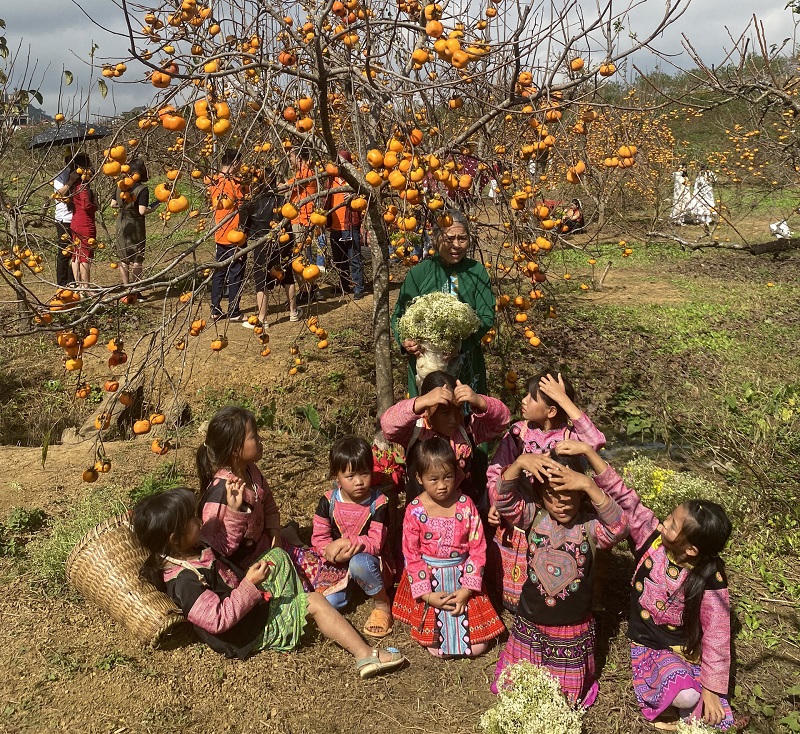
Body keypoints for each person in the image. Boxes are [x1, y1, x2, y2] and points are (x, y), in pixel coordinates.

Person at [132, 488, 406, 677]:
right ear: (173, 538)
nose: (197, 521)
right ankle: (365, 655)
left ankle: (295, 606)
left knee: (276, 555)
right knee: (315, 602)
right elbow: (218, 619)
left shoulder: (195, 548)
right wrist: (249, 586)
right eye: (191, 520)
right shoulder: (184, 582)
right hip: (245, 633)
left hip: (248, 605)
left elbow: (226, 546)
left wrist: (236, 509)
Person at [564, 441, 735, 728]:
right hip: (650, 646)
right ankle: (684, 706)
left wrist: (713, 689)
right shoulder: (652, 542)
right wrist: (591, 456)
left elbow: (718, 635)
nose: (662, 523)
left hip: (685, 649)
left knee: (699, 695)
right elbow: (626, 498)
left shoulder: (709, 580)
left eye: (671, 524)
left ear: (691, 549)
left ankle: (693, 706)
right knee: (686, 695)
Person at [490, 444, 628, 706]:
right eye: (552, 495)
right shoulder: (534, 518)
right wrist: (518, 464)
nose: (561, 502)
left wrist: (589, 485)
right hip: (530, 622)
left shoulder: (591, 527)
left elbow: (620, 526)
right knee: (518, 685)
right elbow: (502, 500)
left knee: (564, 699)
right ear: (540, 495)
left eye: (570, 493)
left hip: (571, 629)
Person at [487, 372, 606, 612]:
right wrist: (496, 499)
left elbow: (595, 442)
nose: (523, 400)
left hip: (560, 516)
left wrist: (564, 401)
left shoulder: (568, 437)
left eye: (531, 398)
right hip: (521, 513)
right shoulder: (517, 433)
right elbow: (496, 471)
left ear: (552, 410)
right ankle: (517, 601)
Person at [392, 437, 505, 657]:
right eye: (433, 479)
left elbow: (478, 548)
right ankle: (431, 617)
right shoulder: (415, 510)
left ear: (457, 474)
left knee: (479, 647)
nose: (442, 485)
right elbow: (412, 555)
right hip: (429, 580)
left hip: (463, 577)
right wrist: (426, 595)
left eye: (448, 477)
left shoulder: (465, 506)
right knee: (435, 644)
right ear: (419, 478)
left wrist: (466, 590)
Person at [391, 209, 495, 397]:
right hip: (425, 365)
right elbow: (399, 315)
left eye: (462, 238)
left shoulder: (477, 272)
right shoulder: (420, 272)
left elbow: (487, 316)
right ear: (437, 239)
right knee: (428, 418)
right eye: (449, 239)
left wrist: (462, 345)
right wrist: (405, 341)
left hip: (466, 364)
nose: (456, 245)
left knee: (466, 416)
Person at [380, 370, 510, 510]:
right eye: (445, 412)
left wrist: (479, 400)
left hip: (463, 518)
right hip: (420, 520)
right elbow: (388, 426)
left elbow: (502, 421)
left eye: (458, 410)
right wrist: (421, 401)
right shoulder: (415, 431)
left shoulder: (468, 429)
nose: (454, 419)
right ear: (427, 410)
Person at [311, 436, 393, 637]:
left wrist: (346, 543)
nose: (359, 482)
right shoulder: (327, 502)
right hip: (338, 563)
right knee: (330, 603)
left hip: (370, 561)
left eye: (364, 473)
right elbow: (319, 538)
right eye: (350, 476)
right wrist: (329, 551)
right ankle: (353, 589)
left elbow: (375, 543)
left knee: (359, 564)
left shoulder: (379, 503)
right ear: (336, 476)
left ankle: (382, 603)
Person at [239, 168, 299, 326]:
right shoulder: (282, 200)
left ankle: (262, 318)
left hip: (263, 242)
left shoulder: (250, 203)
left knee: (261, 280)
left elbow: (243, 228)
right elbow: (289, 220)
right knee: (287, 274)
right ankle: (293, 312)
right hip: (283, 240)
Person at [208, 149, 247, 321]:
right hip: (235, 234)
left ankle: (215, 309)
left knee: (219, 272)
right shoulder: (235, 184)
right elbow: (245, 202)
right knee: (236, 272)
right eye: (240, 163)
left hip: (220, 233)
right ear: (235, 163)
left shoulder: (214, 181)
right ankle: (234, 311)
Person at [109, 158, 154, 303]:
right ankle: (136, 291)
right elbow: (142, 211)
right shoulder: (142, 189)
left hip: (121, 224)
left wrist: (125, 206)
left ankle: (126, 289)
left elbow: (113, 204)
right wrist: (153, 208)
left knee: (123, 258)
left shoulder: (120, 185)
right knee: (136, 259)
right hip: (136, 225)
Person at [323, 151, 366, 299]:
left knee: (354, 258)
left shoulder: (354, 179)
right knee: (339, 260)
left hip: (350, 225)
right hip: (335, 227)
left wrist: (355, 193)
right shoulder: (330, 179)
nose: (338, 165)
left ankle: (358, 288)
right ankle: (344, 286)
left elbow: (365, 194)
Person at [66, 153, 97, 289]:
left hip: (75, 221)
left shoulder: (73, 185)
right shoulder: (83, 186)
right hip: (85, 223)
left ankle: (79, 284)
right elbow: (86, 205)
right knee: (85, 255)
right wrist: (95, 205)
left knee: (76, 254)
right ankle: (85, 286)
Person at [51, 151, 74, 287]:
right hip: (63, 219)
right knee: (64, 251)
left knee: (76, 251)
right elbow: (58, 194)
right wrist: (70, 181)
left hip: (77, 218)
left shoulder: (81, 175)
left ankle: (73, 280)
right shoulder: (60, 176)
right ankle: (62, 282)